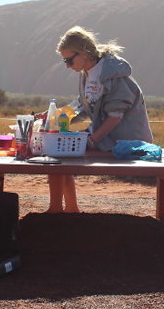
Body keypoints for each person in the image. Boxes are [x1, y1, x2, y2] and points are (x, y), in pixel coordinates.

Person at [47, 26, 153, 213]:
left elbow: (115, 117)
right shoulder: (88, 73)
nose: (67, 66)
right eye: (64, 61)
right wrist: (55, 116)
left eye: (69, 60)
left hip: (127, 143)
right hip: (107, 138)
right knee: (59, 151)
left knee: (61, 154)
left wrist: (92, 141)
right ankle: (67, 209)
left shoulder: (113, 74)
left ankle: (61, 210)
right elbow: (83, 105)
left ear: (83, 53)